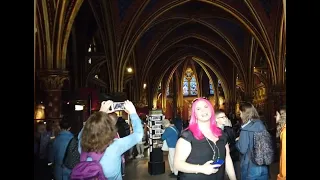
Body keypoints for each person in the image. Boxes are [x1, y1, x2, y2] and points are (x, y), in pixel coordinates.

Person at [78, 100, 143, 179]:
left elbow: (85, 131)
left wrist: (101, 112)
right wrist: (133, 112)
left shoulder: (83, 144)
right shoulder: (115, 146)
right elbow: (138, 134)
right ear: (110, 128)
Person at [174, 98, 236, 180]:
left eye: (206, 107)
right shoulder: (188, 136)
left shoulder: (221, 133)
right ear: (194, 114)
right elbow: (177, 164)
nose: (203, 111)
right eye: (198, 109)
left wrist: (233, 178)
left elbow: (227, 158)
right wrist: (202, 169)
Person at [236, 102, 269, 180]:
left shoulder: (246, 129)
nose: (240, 115)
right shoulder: (261, 125)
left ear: (244, 113)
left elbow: (243, 149)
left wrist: (237, 142)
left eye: (240, 113)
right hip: (263, 165)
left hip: (250, 166)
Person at [215, 110, 240, 180]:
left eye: (225, 116)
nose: (225, 118)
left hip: (233, 157)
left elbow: (234, 140)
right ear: (216, 119)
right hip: (221, 159)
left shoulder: (229, 129)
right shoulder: (213, 132)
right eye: (222, 117)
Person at [276, 106, 286, 180]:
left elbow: (284, 158)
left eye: (277, 115)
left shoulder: (285, 133)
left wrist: (282, 177)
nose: (275, 116)